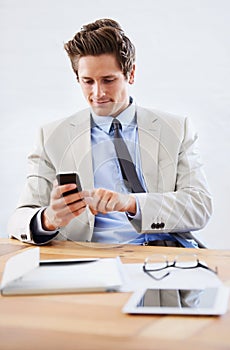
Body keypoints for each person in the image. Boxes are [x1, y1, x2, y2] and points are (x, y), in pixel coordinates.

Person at [7, 18, 212, 248]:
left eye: (108, 80)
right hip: (94, 262)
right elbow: (18, 219)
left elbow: (199, 206)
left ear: (130, 74)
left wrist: (132, 203)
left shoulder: (176, 129)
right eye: (88, 81)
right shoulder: (52, 137)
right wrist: (48, 219)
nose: (98, 92)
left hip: (166, 259)